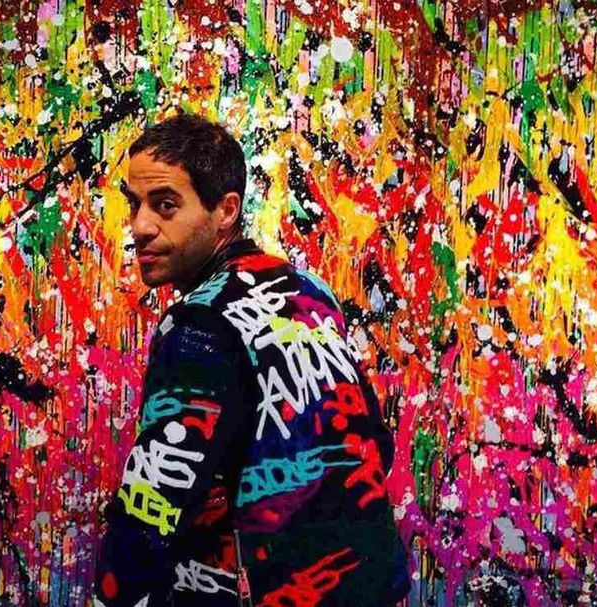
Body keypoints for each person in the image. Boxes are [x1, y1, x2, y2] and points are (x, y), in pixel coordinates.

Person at [92, 114, 411, 607]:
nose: (140, 227)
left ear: (226, 211)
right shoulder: (310, 292)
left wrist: (113, 592)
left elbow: (152, 505)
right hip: (369, 584)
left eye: (165, 205)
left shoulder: (198, 324)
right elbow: (373, 443)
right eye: (134, 204)